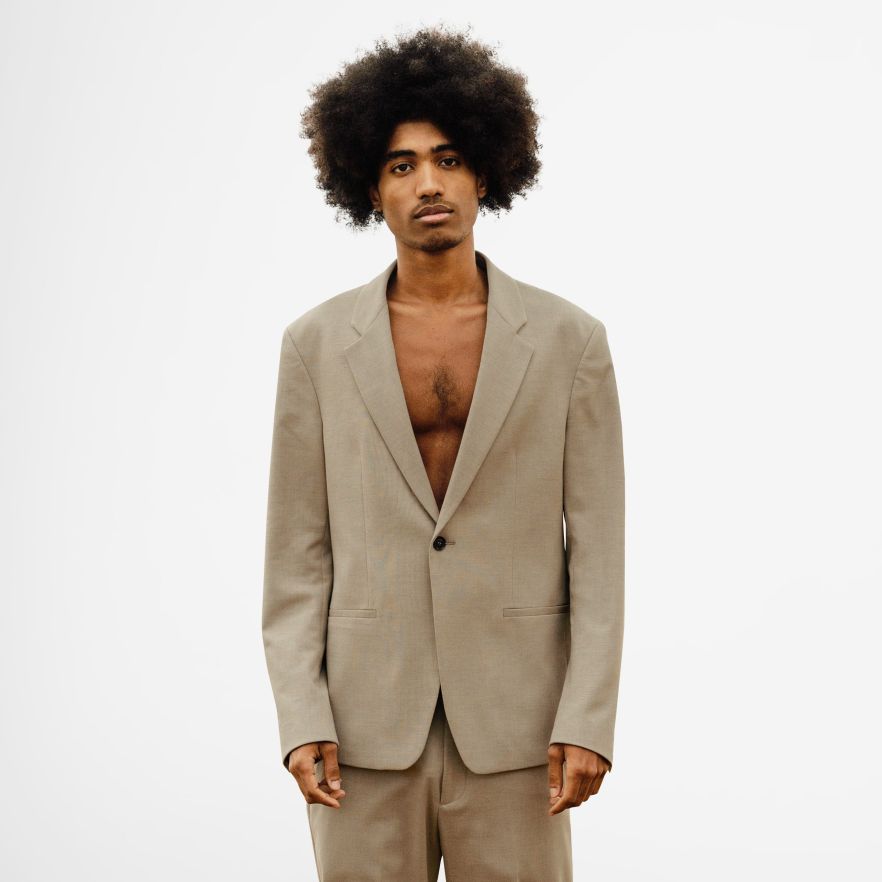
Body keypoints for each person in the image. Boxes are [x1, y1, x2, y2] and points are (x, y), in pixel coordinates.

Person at [262, 24, 625, 882]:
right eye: (402, 165)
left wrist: (588, 719)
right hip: (360, 732)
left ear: (485, 173)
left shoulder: (570, 342)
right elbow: (296, 555)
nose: (428, 182)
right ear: (370, 188)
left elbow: (599, 552)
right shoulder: (315, 346)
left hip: (520, 730)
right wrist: (300, 717)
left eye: (449, 159)